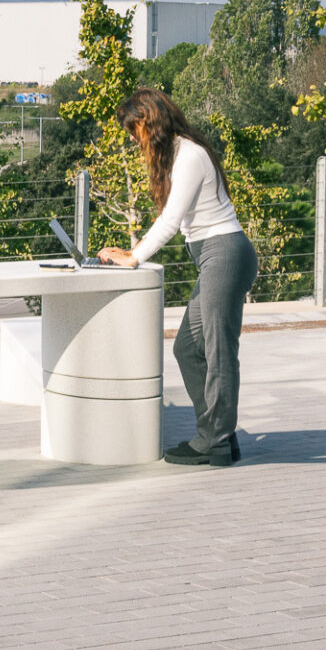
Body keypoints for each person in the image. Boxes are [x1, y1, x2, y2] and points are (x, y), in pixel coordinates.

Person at [97, 88, 257, 466]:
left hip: (225, 254)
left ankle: (214, 440)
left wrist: (134, 257)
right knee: (187, 348)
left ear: (150, 122)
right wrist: (128, 252)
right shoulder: (178, 155)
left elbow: (171, 220)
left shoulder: (190, 155)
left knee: (219, 351)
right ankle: (218, 433)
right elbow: (173, 217)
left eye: (135, 129)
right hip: (214, 257)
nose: (134, 139)